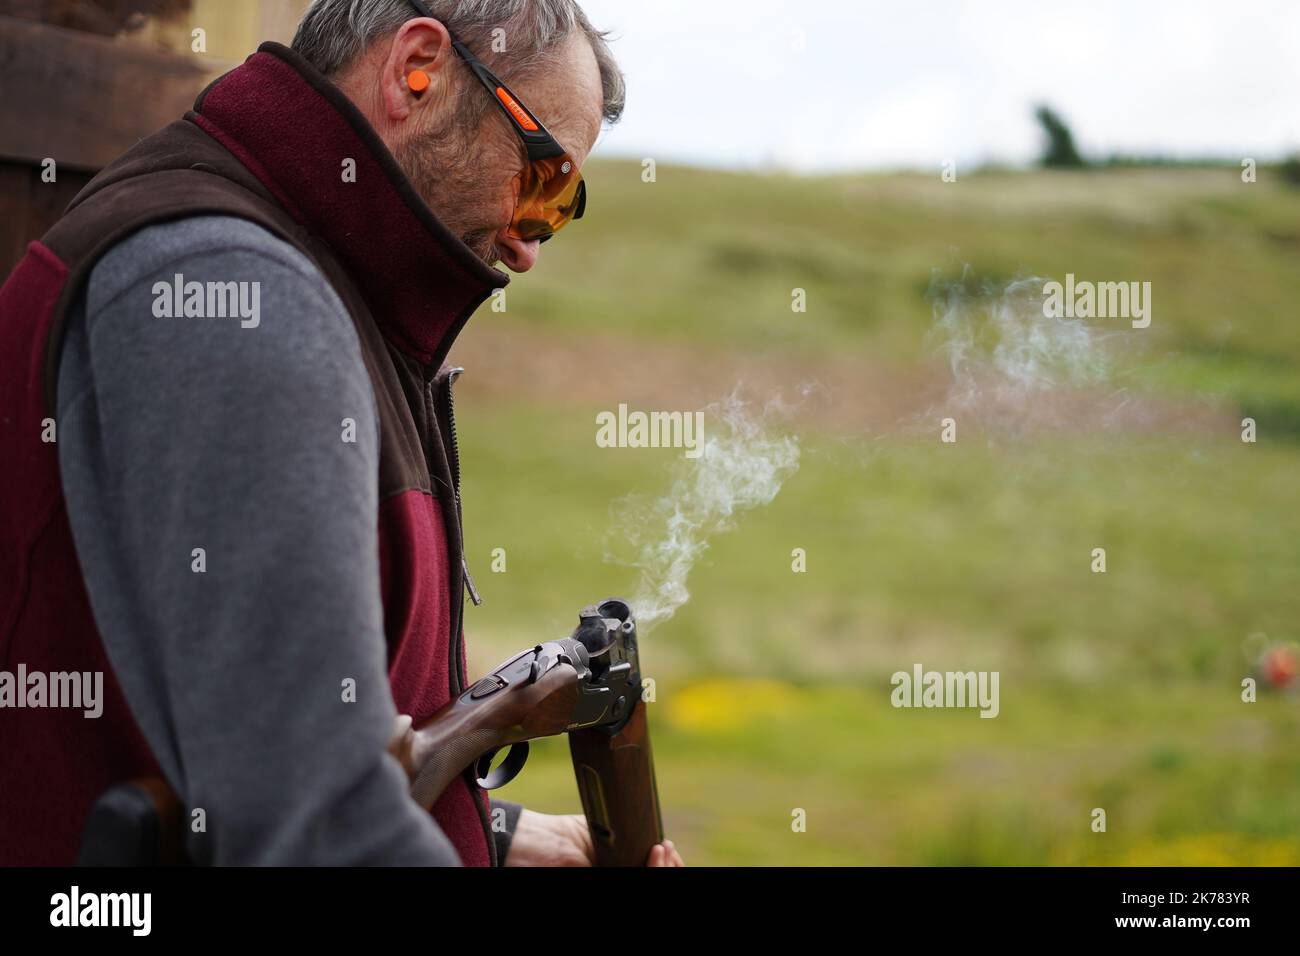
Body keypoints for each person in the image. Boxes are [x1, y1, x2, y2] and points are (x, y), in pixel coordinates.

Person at [0, 0, 682, 867]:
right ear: (418, 68)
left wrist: (492, 834)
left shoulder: (290, 278)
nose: (529, 245)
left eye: (561, 205)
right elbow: (317, 831)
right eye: (540, 177)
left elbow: (271, 750)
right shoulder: (239, 295)